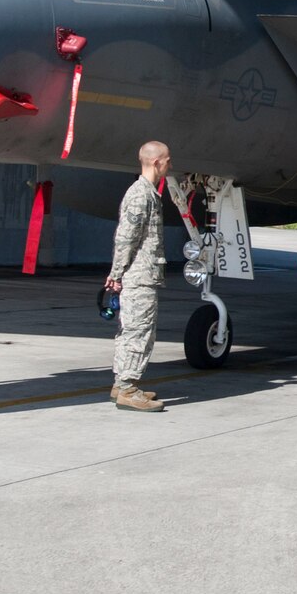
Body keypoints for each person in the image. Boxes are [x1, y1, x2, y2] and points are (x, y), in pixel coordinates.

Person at [105, 141, 173, 412]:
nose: (170, 165)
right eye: (168, 160)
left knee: (132, 330)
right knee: (139, 332)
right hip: (138, 276)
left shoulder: (147, 193)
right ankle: (127, 388)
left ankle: (121, 385)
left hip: (140, 274)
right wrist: (116, 272)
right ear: (157, 162)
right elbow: (126, 237)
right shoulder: (141, 194)